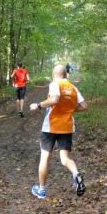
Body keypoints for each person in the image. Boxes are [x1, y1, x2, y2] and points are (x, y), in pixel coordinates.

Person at [29, 64, 87, 199]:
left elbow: (55, 99)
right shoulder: (73, 88)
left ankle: (41, 190)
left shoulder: (55, 84)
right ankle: (76, 174)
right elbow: (84, 106)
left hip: (51, 126)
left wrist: (38, 105)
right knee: (65, 158)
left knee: (45, 158)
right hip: (67, 127)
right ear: (66, 75)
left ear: (55, 75)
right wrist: (69, 109)